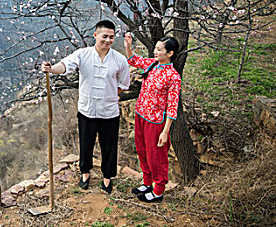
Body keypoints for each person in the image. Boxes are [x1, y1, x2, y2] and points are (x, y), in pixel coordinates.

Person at [42, 20, 130, 193]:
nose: (108, 40)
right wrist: (51, 69)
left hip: (109, 112)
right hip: (87, 110)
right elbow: (65, 66)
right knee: (86, 144)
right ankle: (85, 173)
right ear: (95, 35)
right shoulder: (83, 54)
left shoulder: (119, 60)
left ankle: (107, 177)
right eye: (104, 36)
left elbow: (123, 84)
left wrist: (110, 96)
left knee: (109, 146)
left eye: (112, 37)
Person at [124, 33, 181, 203]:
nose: (155, 52)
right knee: (142, 151)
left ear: (170, 53)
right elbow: (133, 60)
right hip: (141, 115)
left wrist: (165, 131)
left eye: (159, 49)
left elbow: (172, 106)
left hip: (156, 121)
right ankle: (147, 182)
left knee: (156, 156)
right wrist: (128, 45)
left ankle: (158, 190)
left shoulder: (173, 77)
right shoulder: (152, 65)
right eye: (155, 48)